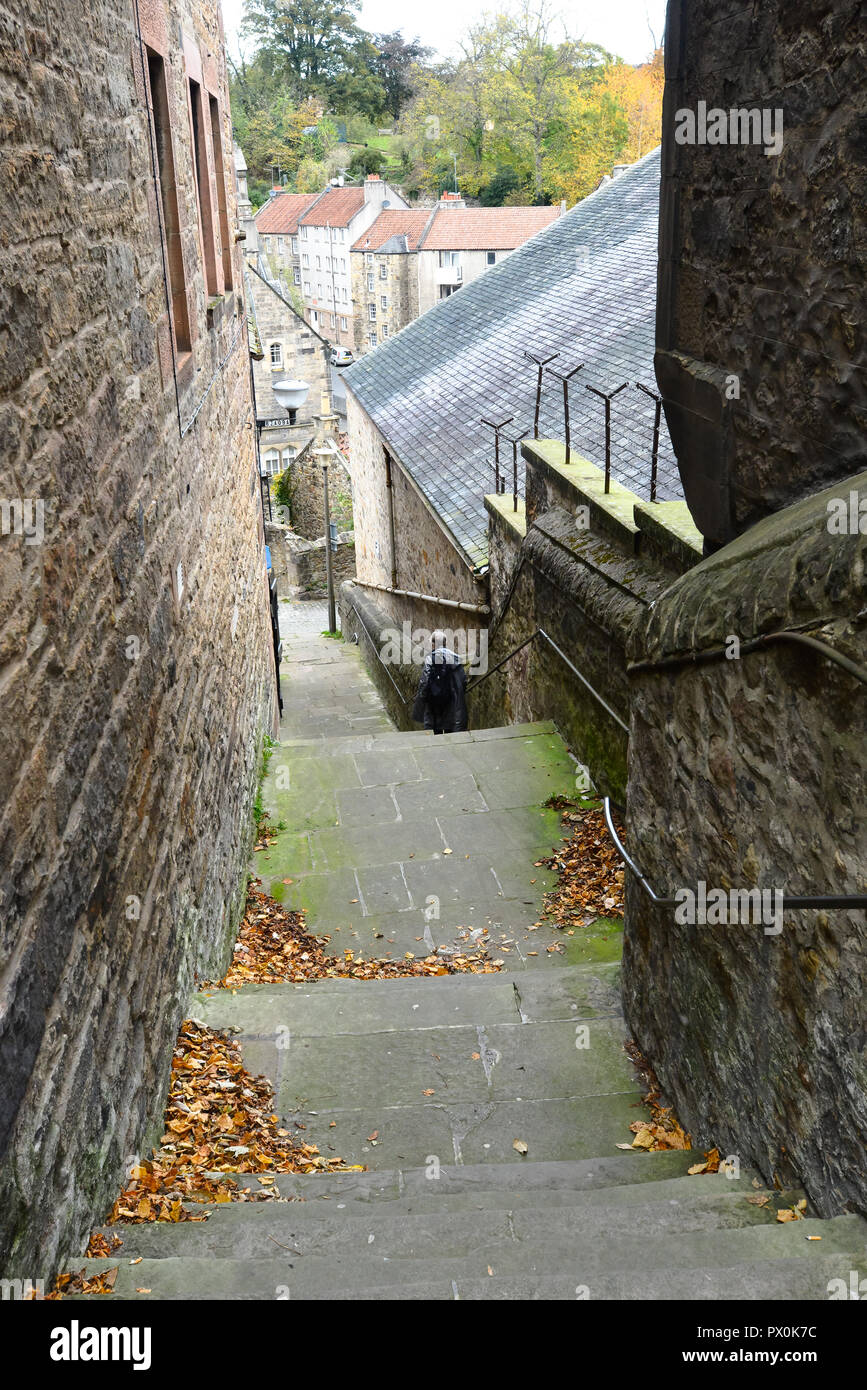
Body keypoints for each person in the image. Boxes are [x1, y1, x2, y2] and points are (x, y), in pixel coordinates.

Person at [412, 631, 468, 735]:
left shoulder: (430, 658)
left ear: (433, 644)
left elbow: (425, 681)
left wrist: (422, 698)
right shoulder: (455, 658)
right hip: (451, 702)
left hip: (433, 704)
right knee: (449, 729)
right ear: (445, 643)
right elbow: (463, 680)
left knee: (434, 732)